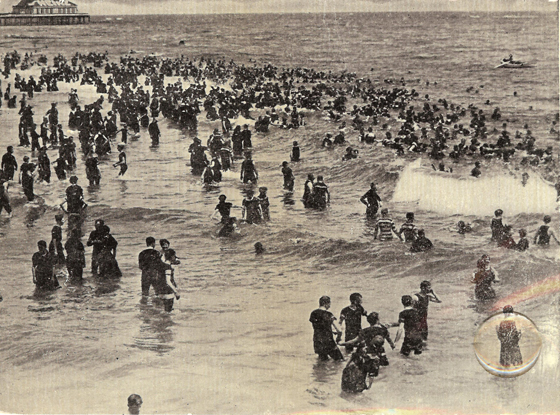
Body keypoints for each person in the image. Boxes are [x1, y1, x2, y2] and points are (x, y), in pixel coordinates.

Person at [309, 296, 343, 361]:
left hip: (317, 341)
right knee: (339, 360)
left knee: (323, 362)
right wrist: (338, 338)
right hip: (328, 340)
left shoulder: (313, 313)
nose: (330, 306)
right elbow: (339, 330)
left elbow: (319, 327)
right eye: (329, 304)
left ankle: (323, 371)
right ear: (325, 304)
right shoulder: (329, 314)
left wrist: (331, 331)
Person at [155, 247, 179, 312]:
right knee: (168, 312)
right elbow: (168, 281)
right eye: (174, 256)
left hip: (160, 290)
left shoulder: (160, 265)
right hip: (168, 292)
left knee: (164, 311)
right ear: (172, 257)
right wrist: (176, 292)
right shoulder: (168, 267)